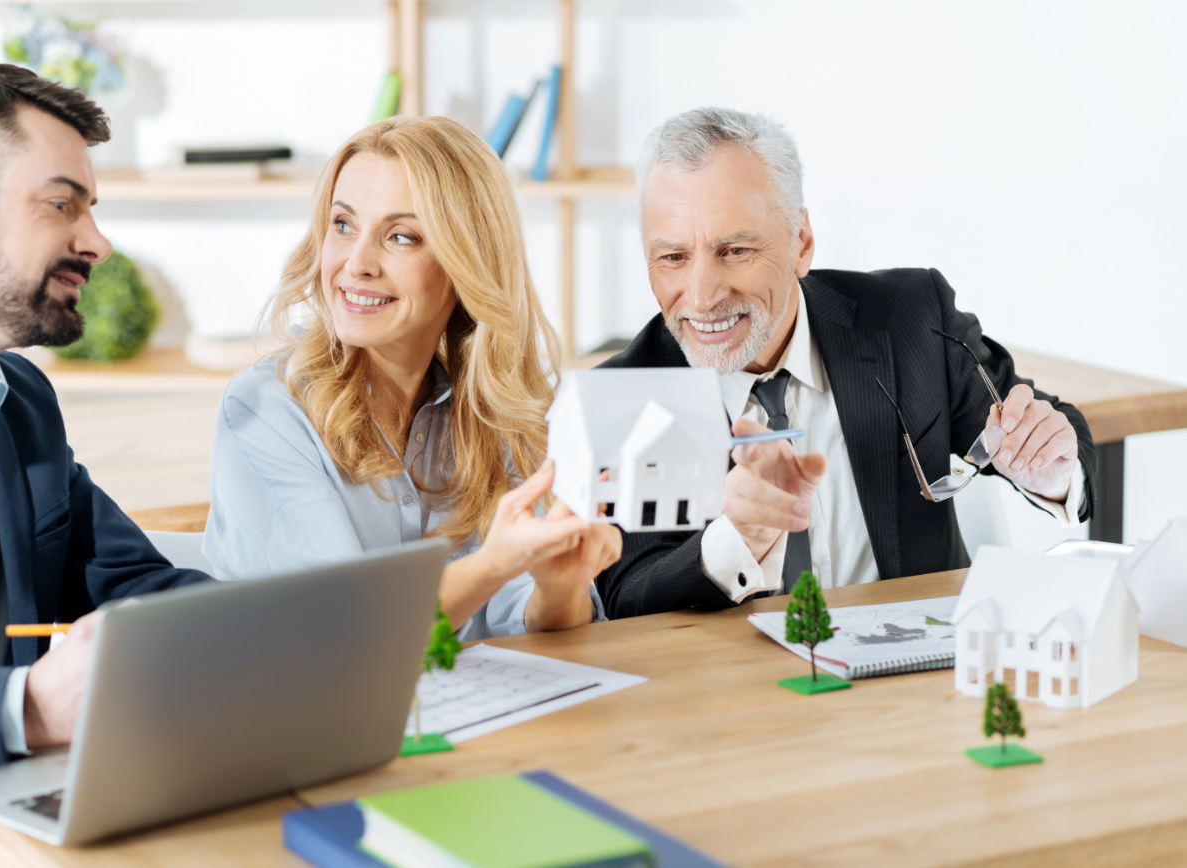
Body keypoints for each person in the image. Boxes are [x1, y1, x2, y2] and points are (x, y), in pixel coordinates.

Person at [0, 60, 210, 865]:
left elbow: (133, 584)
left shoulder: (20, 401)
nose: (96, 242)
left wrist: (273, 636)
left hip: (19, 834)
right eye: (62, 203)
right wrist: (20, 708)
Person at [595, 108, 1095, 618]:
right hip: (737, 690)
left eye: (735, 250)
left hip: (920, 672)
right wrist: (734, 540)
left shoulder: (911, 317)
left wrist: (1052, 470)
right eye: (673, 258)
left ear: (801, 243)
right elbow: (626, 597)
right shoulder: (623, 397)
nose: (700, 298)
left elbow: (1045, 429)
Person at [203, 116, 620, 638]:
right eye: (343, 225)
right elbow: (345, 628)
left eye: (401, 236)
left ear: (466, 264)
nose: (357, 263)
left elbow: (533, 627)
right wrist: (494, 565)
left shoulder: (496, 413)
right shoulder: (266, 408)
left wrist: (557, 588)